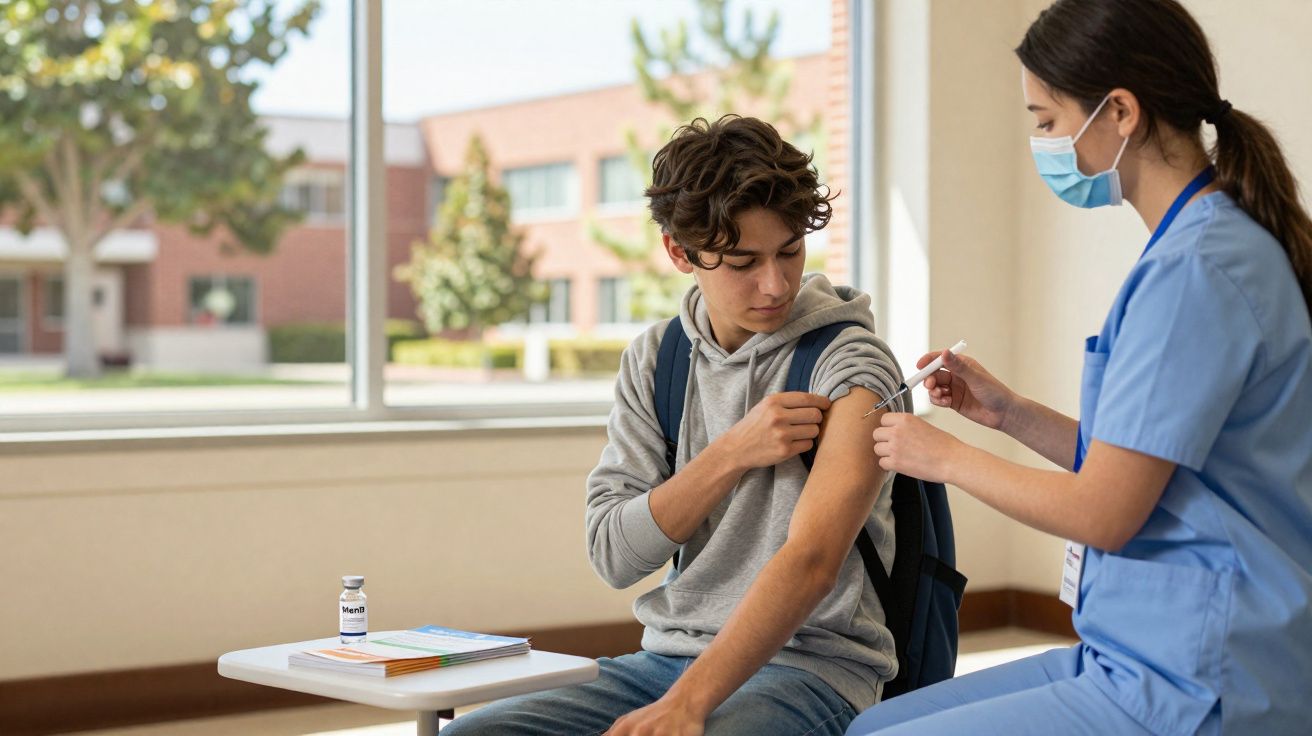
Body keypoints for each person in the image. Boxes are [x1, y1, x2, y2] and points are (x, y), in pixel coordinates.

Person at [850, 1, 1312, 734]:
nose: (1043, 143)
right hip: (1140, 649)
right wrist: (1009, 414)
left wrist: (944, 458)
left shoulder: (1197, 271)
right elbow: (1142, 466)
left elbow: (1104, 512)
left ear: (1119, 111)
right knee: (870, 726)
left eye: (1047, 121)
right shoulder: (1203, 245)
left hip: (1203, 676)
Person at [442, 115, 908, 735]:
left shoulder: (851, 364)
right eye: (743, 261)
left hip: (810, 669)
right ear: (679, 253)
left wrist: (689, 704)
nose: (775, 284)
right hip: (664, 659)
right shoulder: (656, 360)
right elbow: (614, 555)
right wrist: (730, 453)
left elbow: (814, 560)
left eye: (790, 251)